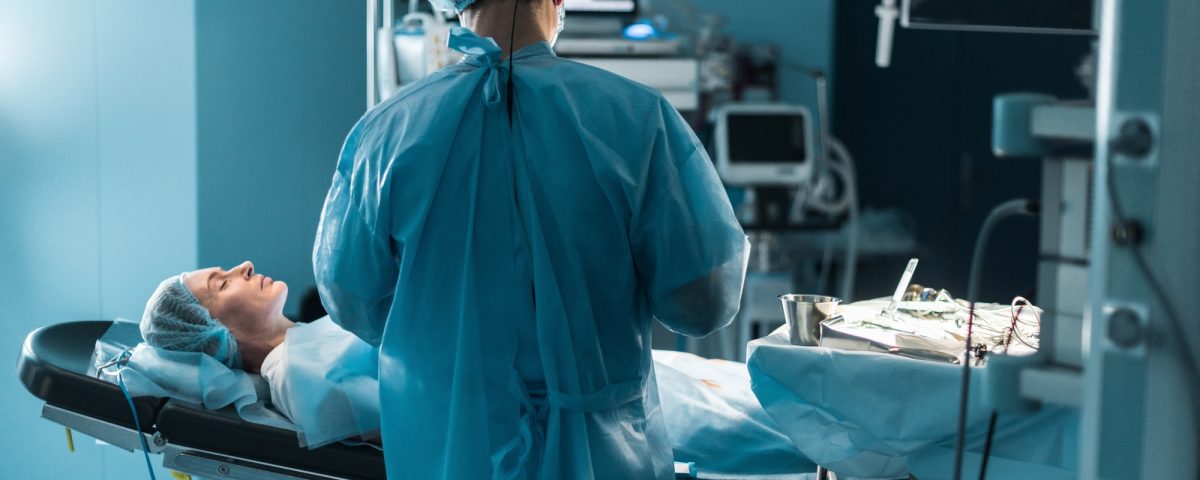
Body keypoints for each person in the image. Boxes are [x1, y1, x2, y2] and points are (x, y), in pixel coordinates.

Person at [313, 0, 749, 478]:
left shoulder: (385, 133)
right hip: (601, 451)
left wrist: (447, 336)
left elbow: (352, 298)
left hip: (448, 446)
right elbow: (703, 302)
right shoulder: (638, 119)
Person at [141, 261, 381, 447]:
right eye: (223, 284)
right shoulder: (296, 375)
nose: (246, 266)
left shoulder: (305, 343)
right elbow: (408, 427)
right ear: (214, 338)